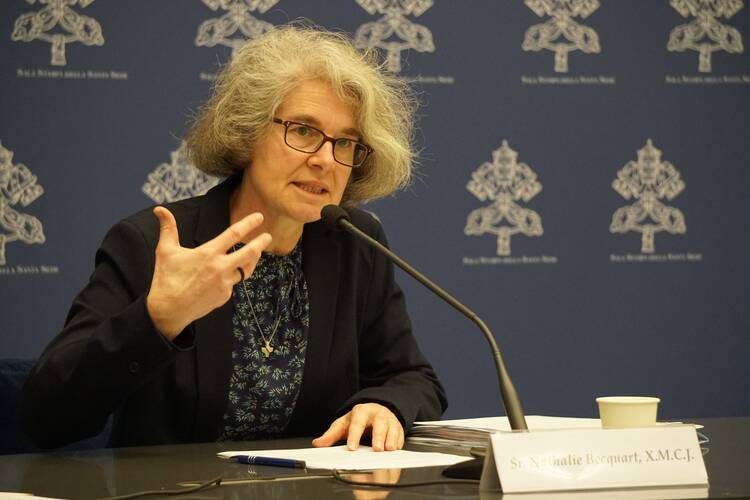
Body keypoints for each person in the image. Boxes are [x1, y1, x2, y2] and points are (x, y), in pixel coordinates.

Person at [22, 26, 447, 451]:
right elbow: (47, 415)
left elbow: (412, 378)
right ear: (248, 134)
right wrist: (157, 320)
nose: (324, 160)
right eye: (302, 130)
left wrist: (384, 404)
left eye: (346, 142)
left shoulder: (354, 242)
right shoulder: (152, 242)